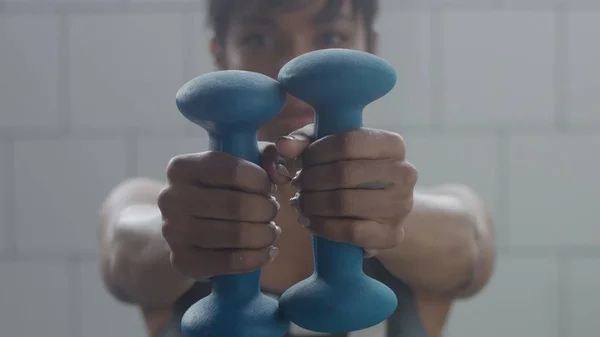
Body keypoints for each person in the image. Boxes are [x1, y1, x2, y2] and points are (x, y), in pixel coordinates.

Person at [99, 1, 496, 336]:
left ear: (369, 48)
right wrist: (183, 233)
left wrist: (395, 216)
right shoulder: (161, 204)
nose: (294, 65)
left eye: (331, 37)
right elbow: (125, 248)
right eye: (259, 39)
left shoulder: (438, 215)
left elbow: (468, 245)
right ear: (221, 56)